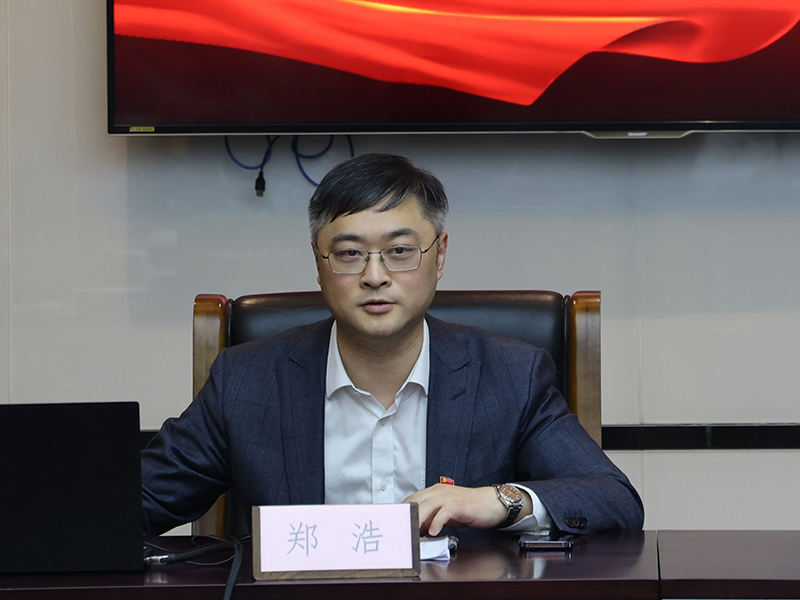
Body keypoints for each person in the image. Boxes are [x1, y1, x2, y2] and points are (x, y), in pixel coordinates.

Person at [142, 153, 644, 537]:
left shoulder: (511, 376)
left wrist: (498, 500)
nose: (375, 276)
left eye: (400, 251)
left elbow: (613, 499)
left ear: (439, 255)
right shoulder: (247, 382)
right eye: (350, 254)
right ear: (319, 261)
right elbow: (134, 505)